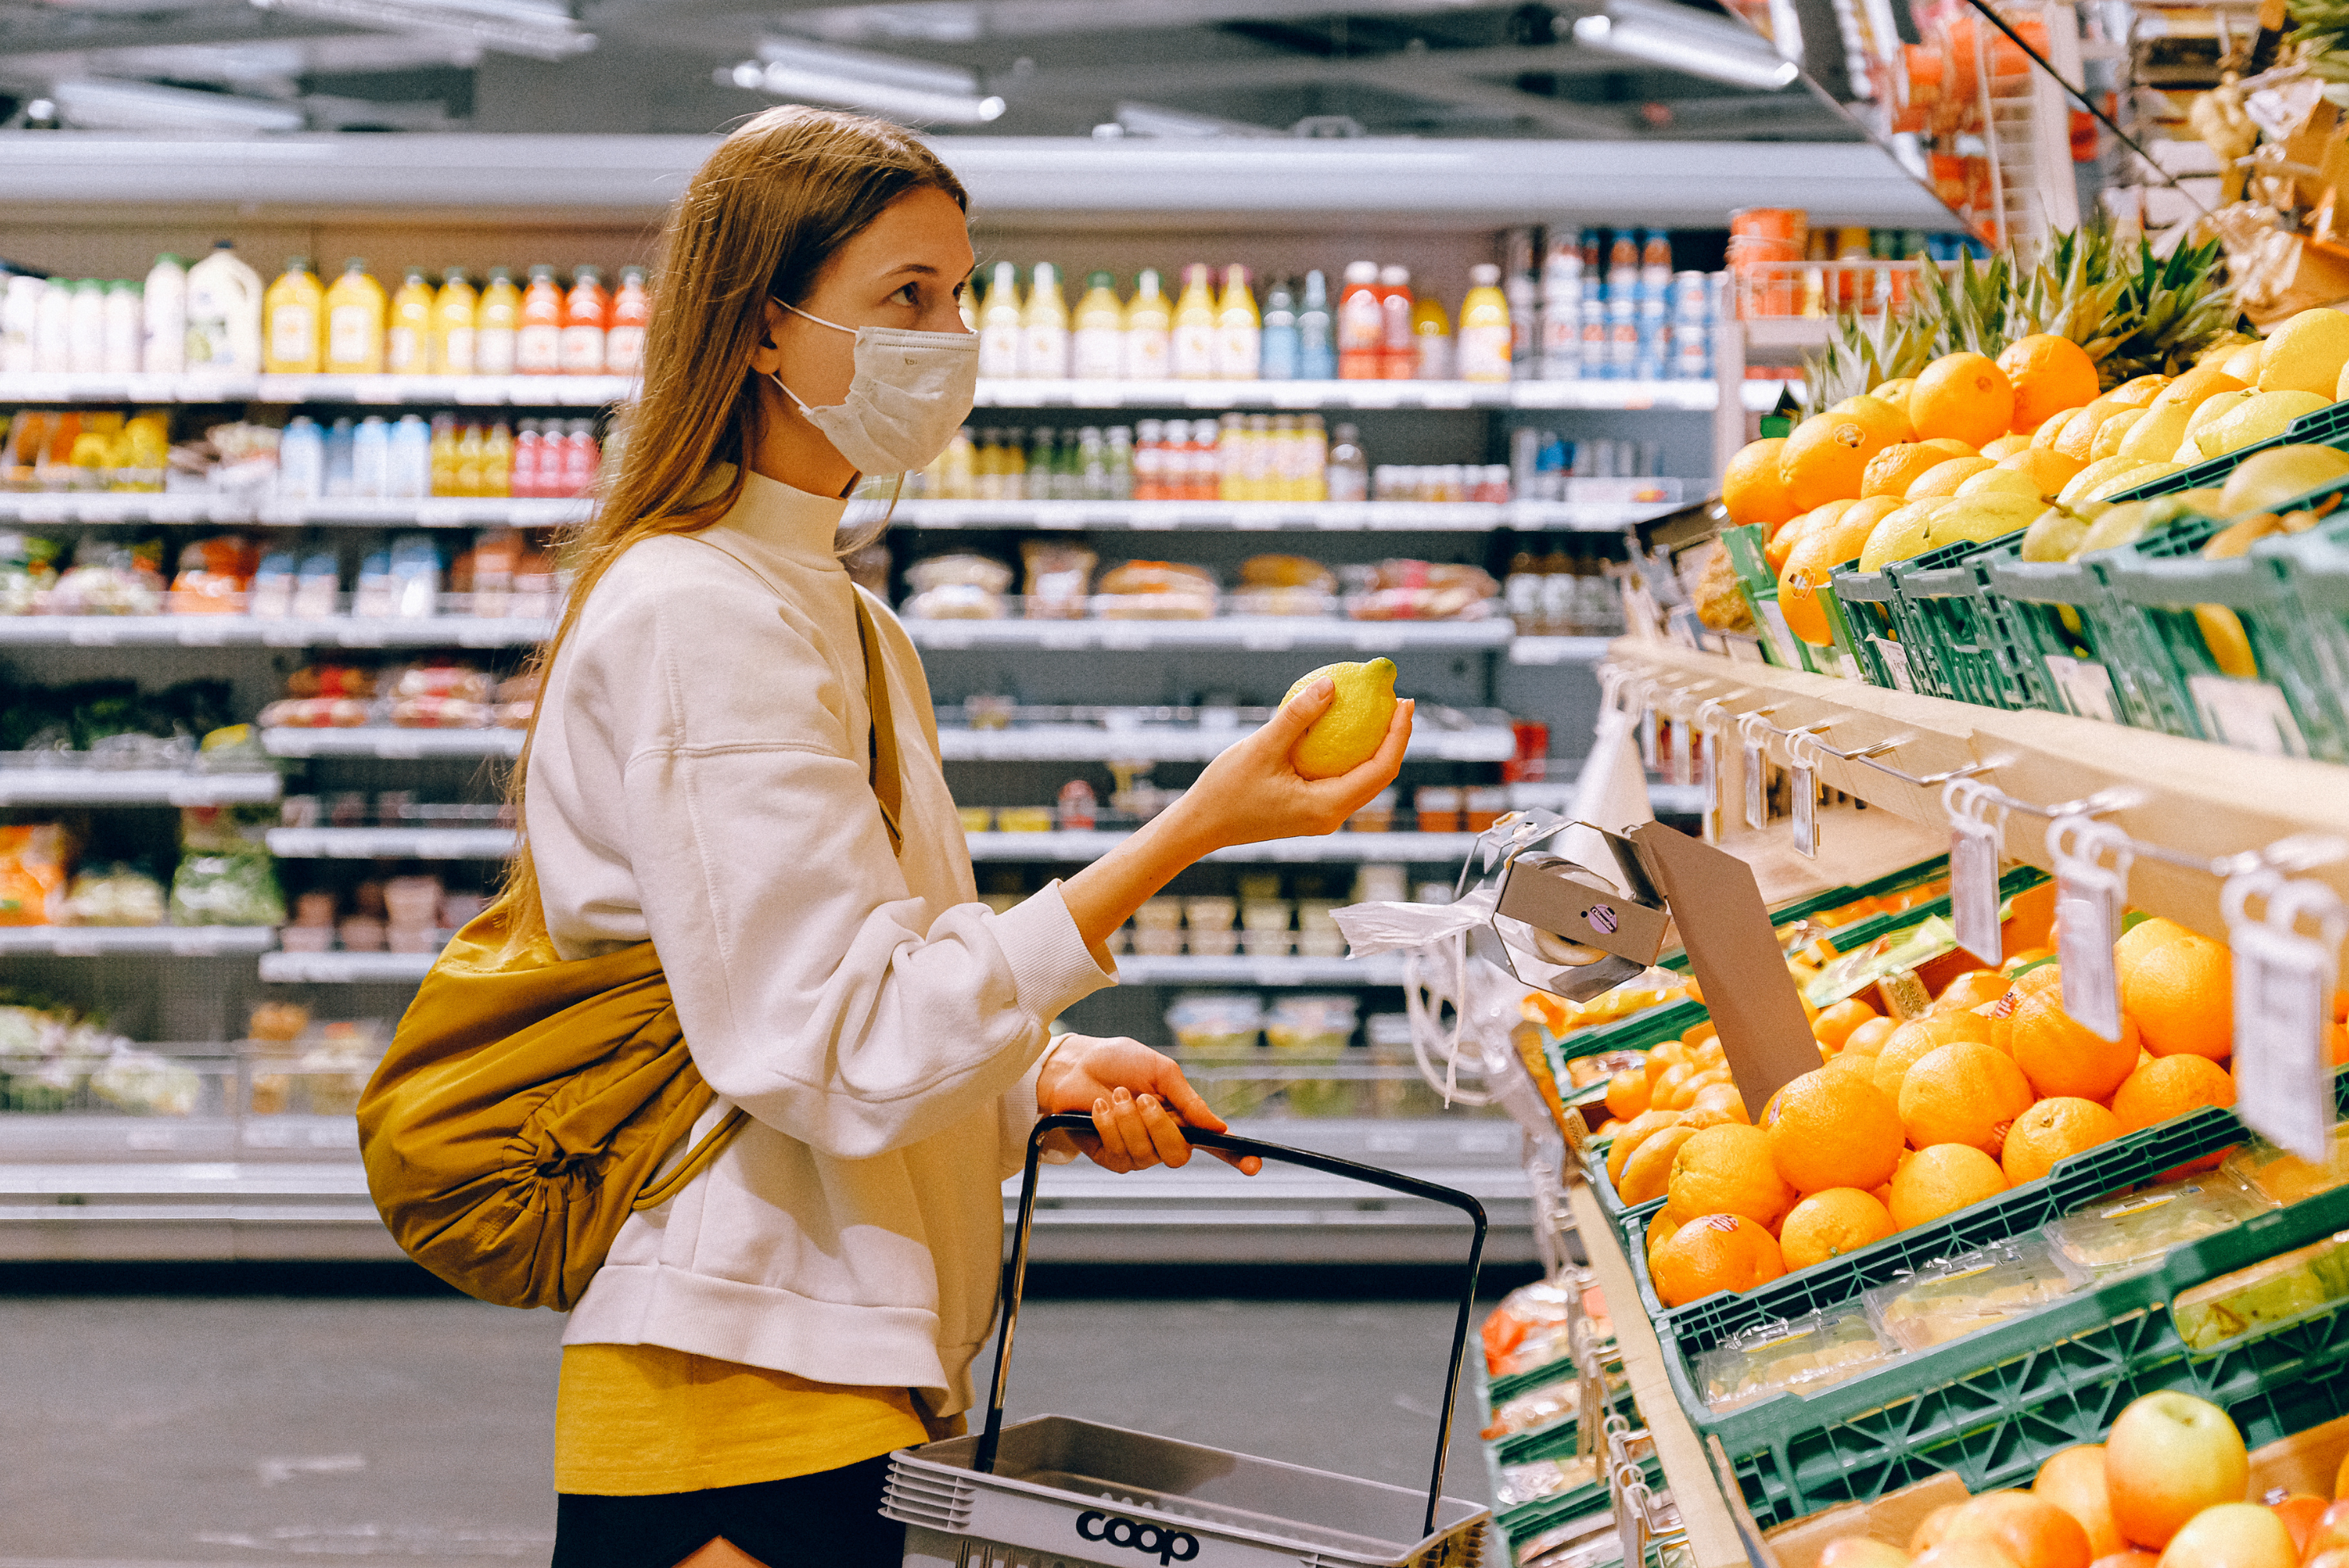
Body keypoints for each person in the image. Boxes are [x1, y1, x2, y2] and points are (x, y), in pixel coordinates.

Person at [510, 105, 1413, 1568]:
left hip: (842, 1361)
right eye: (905, 298)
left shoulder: (842, 617)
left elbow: (862, 991)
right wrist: (1189, 831)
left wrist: (1028, 1078)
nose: (952, 336)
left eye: (962, 293)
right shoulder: (700, 615)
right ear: (759, 328)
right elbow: (831, 1040)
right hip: (738, 1377)